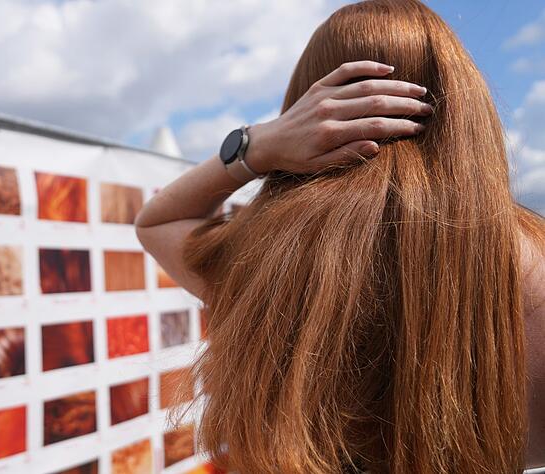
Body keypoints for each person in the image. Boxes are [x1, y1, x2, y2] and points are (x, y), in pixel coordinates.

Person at [134, 1, 545, 473]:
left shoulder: (262, 259)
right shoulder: (534, 260)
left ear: (307, 107)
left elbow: (156, 221)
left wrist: (257, 144)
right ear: (463, 101)